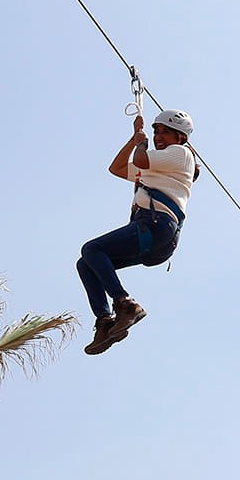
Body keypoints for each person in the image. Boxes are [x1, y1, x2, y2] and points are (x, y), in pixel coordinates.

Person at [77, 109, 197, 356]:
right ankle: (105, 321)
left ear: (181, 137)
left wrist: (141, 144)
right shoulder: (157, 166)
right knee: (86, 263)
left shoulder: (180, 154)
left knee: (92, 248)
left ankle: (124, 303)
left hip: (157, 225)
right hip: (153, 234)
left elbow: (141, 160)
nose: (159, 136)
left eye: (166, 132)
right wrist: (134, 139)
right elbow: (117, 167)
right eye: (156, 131)